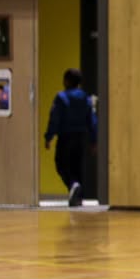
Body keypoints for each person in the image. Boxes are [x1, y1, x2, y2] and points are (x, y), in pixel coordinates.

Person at [44, 68, 96, 207]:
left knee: (61, 164)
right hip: (81, 137)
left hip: (65, 137)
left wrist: (49, 136)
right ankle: (78, 198)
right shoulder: (85, 98)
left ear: (66, 81)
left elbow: (54, 118)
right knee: (77, 166)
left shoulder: (61, 97)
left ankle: (73, 185)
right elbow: (92, 120)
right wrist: (93, 140)